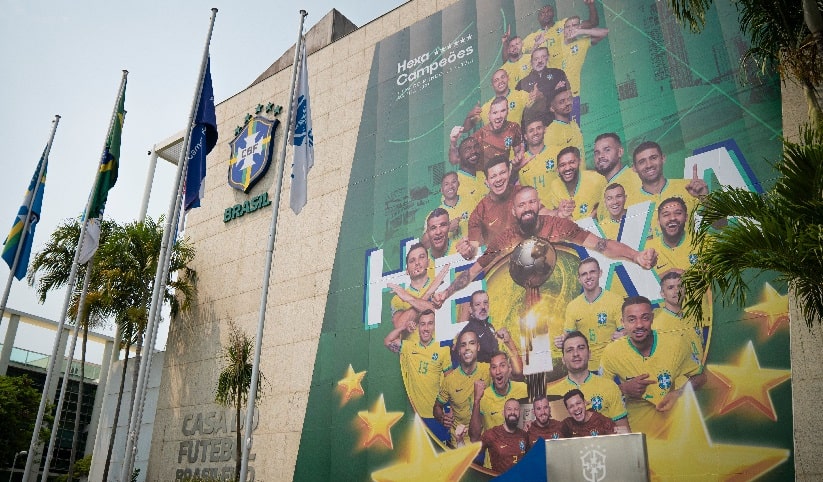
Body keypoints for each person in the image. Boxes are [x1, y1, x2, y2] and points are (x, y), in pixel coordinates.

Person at [433, 187, 657, 307]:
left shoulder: (559, 226)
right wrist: (446, 292)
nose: (528, 208)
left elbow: (601, 245)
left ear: (539, 204)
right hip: (528, 304)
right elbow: (473, 272)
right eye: (522, 205)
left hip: (565, 297)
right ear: (514, 212)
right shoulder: (504, 240)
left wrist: (636, 256)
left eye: (532, 202)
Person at [599, 296, 706, 437]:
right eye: (631, 319)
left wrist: (678, 393)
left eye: (645, 318)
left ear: (652, 318)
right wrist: (624, 388)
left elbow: (701, 377)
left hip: (676, 428)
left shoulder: (676, 343)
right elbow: (599, 394)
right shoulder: (611, 352)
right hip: (638, 432)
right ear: (622, 322)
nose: (639, 325)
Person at [384, 309, 452, 442]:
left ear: (434, 326)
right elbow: (387, 341)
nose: (426, 328)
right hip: (417, 417)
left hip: (437, 416)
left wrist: (450, 410)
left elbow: (451, 382)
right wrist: (404, 327)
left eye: (430, 323)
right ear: (418, 326)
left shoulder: (442, 349)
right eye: (423, 324)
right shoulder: (409, 347)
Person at [547, 331, 630, 433]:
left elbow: (625, 433)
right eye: (569, 350)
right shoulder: (551, 394)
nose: (576, 354)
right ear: (563, 359)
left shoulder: (609, 386)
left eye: (581, 348)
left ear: (589, 354)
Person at [632, 140, 707, 237]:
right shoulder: (630, 204)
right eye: (642, 162)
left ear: (663, 158)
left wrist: (705, 198)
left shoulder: (688, 188)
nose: (649, 165)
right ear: (634, 168)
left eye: (653, 158)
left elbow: (721, 226)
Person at [559, 258, 624, 369]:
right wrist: (561, 341)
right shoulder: (573, 306)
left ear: (600, 273)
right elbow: (568, 336)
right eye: (584, 274)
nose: (588, 277)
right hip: (585, 368)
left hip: (612, 365)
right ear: (579, 279)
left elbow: (625, 331)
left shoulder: (616, 301)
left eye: (592, 272)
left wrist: (625, 333)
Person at [434, 329, 490, 447]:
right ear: (459, 350)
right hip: (460, 443)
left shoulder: (488, 370)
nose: (467, 348)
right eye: (463, 345)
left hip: (485, 442)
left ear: (478, 347)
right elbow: (437, 407)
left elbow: (515, 375)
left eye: (472, 343)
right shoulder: (450, 380)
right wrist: (442, 417)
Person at [549, 16, 609, 123]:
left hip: (572, 96)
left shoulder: (581, 43)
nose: (571, 29)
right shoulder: (554, 45)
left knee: (574, 130)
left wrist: (580, 31)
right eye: (567, 27)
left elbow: (605, 32)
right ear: (563, 29)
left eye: (574, 25)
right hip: (553, 98)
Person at [467, 155, 523, 249]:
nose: (498, 179)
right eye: (493, 176)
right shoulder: (480, 212)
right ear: (487, 182)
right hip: (499, 260)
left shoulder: (522, 194)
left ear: (509, 173)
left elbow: (542, 216)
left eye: (502, 173)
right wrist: (468, 249)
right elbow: (474, 246)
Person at [469, 351, 527, 442]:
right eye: (494, 367)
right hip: (494, 455)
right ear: (490, 372)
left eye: (502, 365)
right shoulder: (482, 397)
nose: (498, 371)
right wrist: (477, 401)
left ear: (510, 368)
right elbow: (474, 438)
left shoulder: (523, 389)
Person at [387, 243, 443, 335]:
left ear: (428, 262)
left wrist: (408, 298)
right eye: (412, 261)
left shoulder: (440, 283)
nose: (417, 263)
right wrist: (427, 294)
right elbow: (399, 326)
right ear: (407, 271)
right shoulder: (398, 298)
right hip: (413, 348)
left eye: (421, 257)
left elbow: (439, 311)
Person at [653, 270, 705, 360]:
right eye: (670, 287)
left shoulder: (693, 317)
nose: (676, 291)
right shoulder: (656, 323)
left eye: (680, 286)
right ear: (662, 294)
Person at [593, 133, 642, 221]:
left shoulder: (634, 180)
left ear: (620, 152)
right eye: (597, 153)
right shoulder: (606, 187)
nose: (600, 156)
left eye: (607, 150)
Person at [464, 69, 534, 130]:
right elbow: (466, 128)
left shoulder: (521, 95)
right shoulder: (486, 107)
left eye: (502, 77)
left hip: (517, 144)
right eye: (496, 80)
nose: (500, 81)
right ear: (492, 85)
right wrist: (469, 116)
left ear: (508, 78)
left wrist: (539, 97)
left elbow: (538, 108)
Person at [547, 146, 604, 220]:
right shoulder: (555, 185)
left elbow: (607, 203)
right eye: (562, 165)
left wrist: (591, 217)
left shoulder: (596, 179)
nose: (567, 168)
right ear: (557, 169)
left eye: (572, 162)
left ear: (579, 162)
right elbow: (559, 215)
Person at [522, 1, 599, 55]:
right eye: (542, 13)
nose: (546, 14)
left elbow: (592, 23)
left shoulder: (565, 23)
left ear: (553, 13)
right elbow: (515, 53)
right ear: (538, 18)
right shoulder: (533, 36)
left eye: (548, 11)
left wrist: (591, 5)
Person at [469, 96, 524, 168]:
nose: (499, 116)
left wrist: (519, 156)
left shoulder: (513, 128)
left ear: (508, 111)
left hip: (504, 173)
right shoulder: (479, 135)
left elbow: (518, 152)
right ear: (489, 116)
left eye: (503, 111)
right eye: (495, 113)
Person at [476, 398, 529, 474]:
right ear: (503, 413)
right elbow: (472, 456)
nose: (513, 412)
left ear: (520, 413)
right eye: (509, 409)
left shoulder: (524, 435)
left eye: (516, 409)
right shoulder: (491, 434)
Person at [645, 197, 697, 273]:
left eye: (678, 213)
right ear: (658, 221)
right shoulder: (646, 249)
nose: (672, 218)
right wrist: (667, 274)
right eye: (666, 215)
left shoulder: (703, 242)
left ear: (686, 217)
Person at [516, 114, 560, 201]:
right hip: (534, 211)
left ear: (544, 129)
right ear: (525, 136)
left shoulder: (557, 153)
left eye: (539, 128)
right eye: (531, 130)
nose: (535, 133)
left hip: (556, 210)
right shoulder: (520, 161)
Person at [515, 47, 569, 116]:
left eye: (543, 57)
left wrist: (541, 96)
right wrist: (554, 90)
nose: (540, 61)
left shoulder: (558, 73)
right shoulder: (522, 83)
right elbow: (520, 107)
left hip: (557, 118)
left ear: (548, 58)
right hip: (534, 122)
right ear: (531, 62)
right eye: (536, 59)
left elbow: (563, 97)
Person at [544, 89, 585, 172]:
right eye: (562, 102)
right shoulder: (551, 133)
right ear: (552, 108)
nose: (567, 103)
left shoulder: (574, 125)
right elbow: (553, 166)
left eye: (569, 99)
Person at [447, 135, 488, 210]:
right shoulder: (454, 182)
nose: (473, 151)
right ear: (459, 156)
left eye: (476, 147)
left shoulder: (483, 175)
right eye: (467, 149)